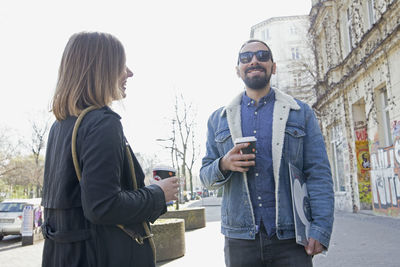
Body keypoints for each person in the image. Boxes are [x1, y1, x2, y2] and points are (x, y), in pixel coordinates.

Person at [41, 32, 179, 267]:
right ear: (102, 68)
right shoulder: (103, 122)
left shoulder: (60, 126)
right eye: (122, 64)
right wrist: (159, 194)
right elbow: (103, 206)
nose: (129, 73)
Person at [200, 39, 334, 267]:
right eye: (246, 58)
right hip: (240, 239)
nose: (254, 60)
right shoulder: (218, 120)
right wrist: (223, 164)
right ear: (237, 70)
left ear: (273, 66)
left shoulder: (301, 113)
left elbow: (318, 174)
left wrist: (320, 229)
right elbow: (205, 177)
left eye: (262, 56)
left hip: (291, 237)